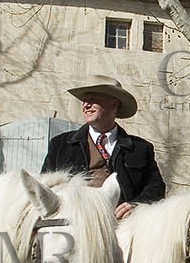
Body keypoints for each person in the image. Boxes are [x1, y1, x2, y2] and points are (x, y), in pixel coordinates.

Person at [42, 77, 165, 219]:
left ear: (114, 103)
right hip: (75, 225)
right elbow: (45, 188)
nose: (86, 105)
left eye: (93, 99)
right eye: (84, 100)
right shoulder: (61, 145)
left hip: (123, 228)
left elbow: (156, 189)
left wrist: (136, 205)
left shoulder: (140, 148)